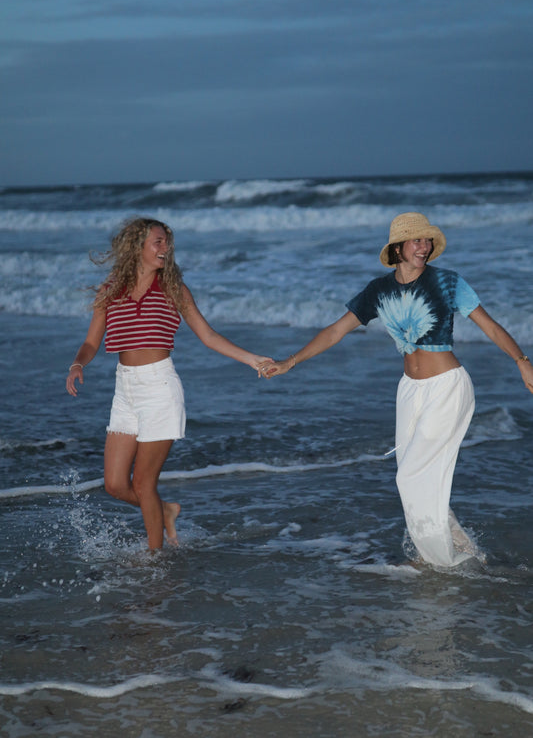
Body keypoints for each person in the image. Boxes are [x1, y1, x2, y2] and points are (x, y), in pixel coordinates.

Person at [261, 212, 533, 567]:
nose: (424, 247)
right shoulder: (379, 290)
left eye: (427, 240)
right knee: (415, 478)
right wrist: (291, 361)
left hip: (447, 387)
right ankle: (462, 551)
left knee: (411, 477)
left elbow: (491, 327)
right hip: (409, 391)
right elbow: (334, 331)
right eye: (416, 240)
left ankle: (439, 562)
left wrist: (521, 360)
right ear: (398, 248)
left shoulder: (448, 283)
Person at [66, 217, 272, 552]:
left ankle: (154, 557)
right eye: (158, 242)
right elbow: (90, 343)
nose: (165, 248)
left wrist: (252, 359)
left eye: (167, 242)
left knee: (144, 484)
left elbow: (208, 336)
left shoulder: (173, 288)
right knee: (116, 485)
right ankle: (165, 511)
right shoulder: (110, 290)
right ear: (138, 247)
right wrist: (77, 364)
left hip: (160, 387)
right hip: (125, 390)